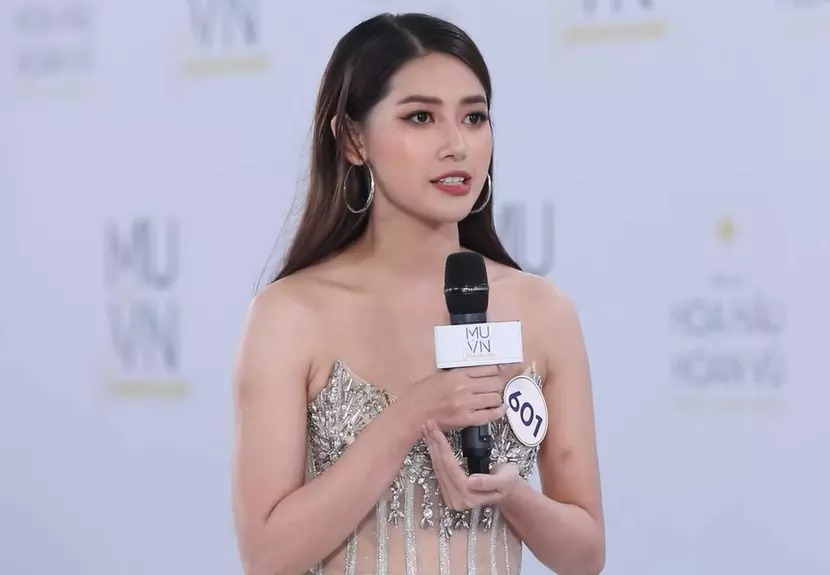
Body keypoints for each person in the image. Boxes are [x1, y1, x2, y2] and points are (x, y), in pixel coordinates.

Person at [231, 12, 604, 575]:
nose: (456, 145)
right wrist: (412, 415)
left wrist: (509, 496)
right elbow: (266, 555)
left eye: (474, 117)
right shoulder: (290, 315)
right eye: (421, 117)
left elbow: (586, 554)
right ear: (353, 138)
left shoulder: (543, 311)